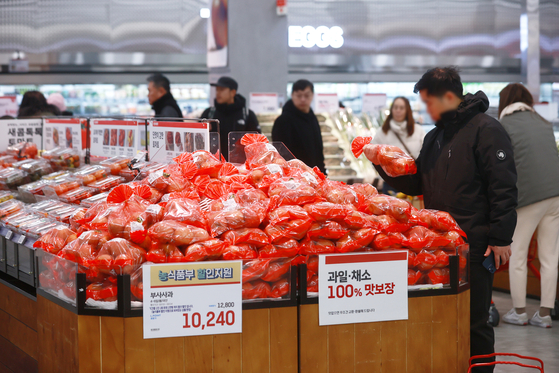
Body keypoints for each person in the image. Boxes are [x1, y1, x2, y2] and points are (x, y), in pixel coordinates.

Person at [366, 67, 517, 372]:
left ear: (449, 96)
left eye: (429, 102)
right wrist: (382, 163)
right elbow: (418, 182)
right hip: (437, 247)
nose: (426, 109)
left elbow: (504, 185)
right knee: (443, 317)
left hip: (475, 245)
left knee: (475, 322)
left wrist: (501, 237)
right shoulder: (435, 136)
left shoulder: (487, 129)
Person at [498, 83, 559, 328]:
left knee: (518, 254)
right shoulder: (544, 123)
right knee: (550, 256)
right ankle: (544, 314)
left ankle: (520, 311)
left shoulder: (504, 125)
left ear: (505, 102)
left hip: (527, 197)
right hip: (555, 195)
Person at [372, 96, 425, 195]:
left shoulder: (418, 130)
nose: (398, 110)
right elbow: (373, 156)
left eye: (401, 108)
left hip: (413, 181)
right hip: (390, 182)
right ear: (391, 109)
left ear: (407, 110)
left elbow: (426, 153)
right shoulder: (383, 131)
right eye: (395, 107)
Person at [272, 79, 326, 173]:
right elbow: (281, 156)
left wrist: (321, 173)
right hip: (294, 178)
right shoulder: (283, 121)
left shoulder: (312, 118)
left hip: (314, 175)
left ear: (312, 95)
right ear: (292, 95)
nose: (303, 99)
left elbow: (318, 151)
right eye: (299, 95)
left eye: (306, 95)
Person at [201, 77, 260, 161]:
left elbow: (257, 142)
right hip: (212, 165)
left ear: (233, 92)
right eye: (217, 90)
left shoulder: (247, 114)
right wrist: (204, 132)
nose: (218, 93)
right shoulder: (209, 113)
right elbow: (197, 141)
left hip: (240, 167)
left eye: (221, 90)